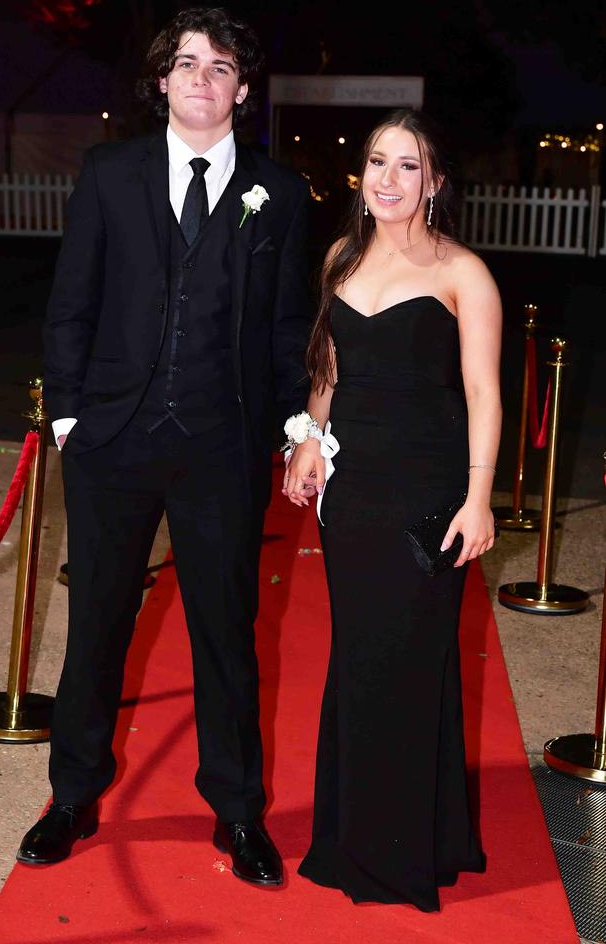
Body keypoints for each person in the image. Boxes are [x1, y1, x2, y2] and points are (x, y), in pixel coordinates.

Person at [16, 6, 313, 886]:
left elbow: (289, 326)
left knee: (227, 634)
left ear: (243, 90)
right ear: (161, 80)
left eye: (220, 67)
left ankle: (236, 812)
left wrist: (297, 427)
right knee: (97, 625)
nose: (201, 78)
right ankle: (71, 796)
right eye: (186, 63)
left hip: (223, 446)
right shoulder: (110, 173)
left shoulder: (281, 194)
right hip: (113, 437)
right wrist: (69, 417)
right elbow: (73, 299)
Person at [283, 109, 502, 910]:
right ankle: (358, 835)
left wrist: (479, 500)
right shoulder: (343, 256)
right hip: (355, 495)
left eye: (408, 166)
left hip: (427, 492)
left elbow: (483, 393)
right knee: (361, 657)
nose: (388, 179)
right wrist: (310, 440)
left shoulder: (462, 272)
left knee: (411, 662)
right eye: (378, 162)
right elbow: (331, 368)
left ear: (435, 182)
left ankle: (408, 851)